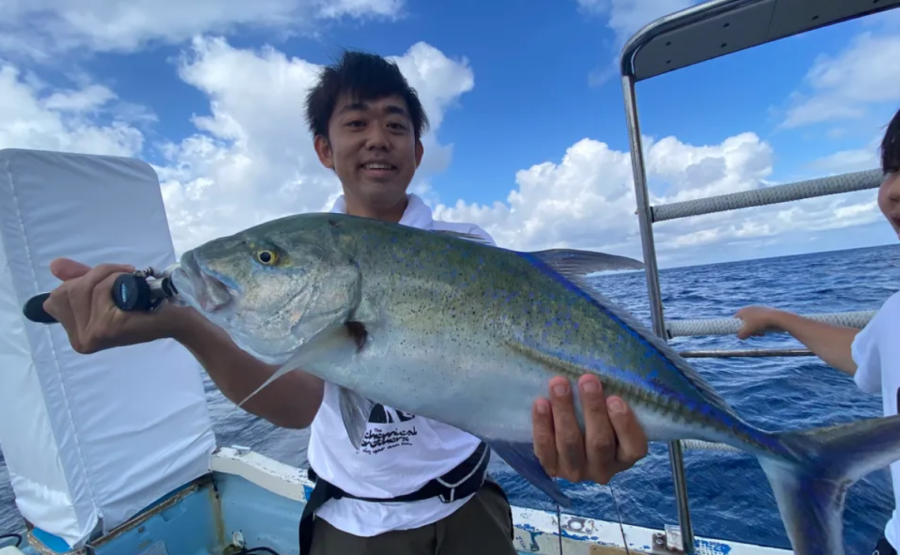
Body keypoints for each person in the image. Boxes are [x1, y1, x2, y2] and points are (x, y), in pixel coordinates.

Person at [42, 50, 649, 555]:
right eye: (355, 123)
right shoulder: (313, 258)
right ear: (324, 149)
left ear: (417, 148)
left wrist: (574, 433)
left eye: (395, 123)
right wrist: (184, 323)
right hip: (352, 528)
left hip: (471, 511)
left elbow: (525, 385)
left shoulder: (468, 249)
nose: (377, 138)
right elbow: (300, 403)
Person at [734, 105, 900, 555]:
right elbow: (863, 356)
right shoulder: (895, 312)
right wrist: (779, 318)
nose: (895, 190)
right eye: (891, 170)